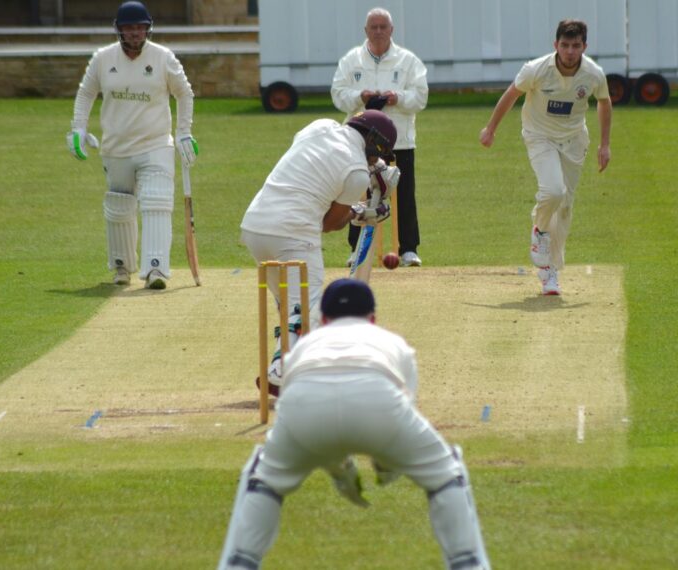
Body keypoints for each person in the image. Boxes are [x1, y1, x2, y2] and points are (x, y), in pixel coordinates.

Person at [217, 279, 491, 570]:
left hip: (304, 407)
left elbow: (298, 407)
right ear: (372, 318)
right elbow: (403, 415)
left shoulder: (303, 347)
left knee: (262, 478)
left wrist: (339, 469)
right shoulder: (393, 343)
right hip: (378, 401)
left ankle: (238, 564)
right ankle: (468, 564)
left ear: (322, 320)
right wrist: (386, 468)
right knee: (447, 472)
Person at [241, 110, 400, 395]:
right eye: (378, 155)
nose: (376, 162)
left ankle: (296, 366)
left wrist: (359, 204)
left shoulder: (319, 126)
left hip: (254, 226)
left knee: (291, 307)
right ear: (374, 143)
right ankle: (279, 372)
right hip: (292, 232)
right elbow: (330, 223)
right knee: (308, 306)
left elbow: (314, 171)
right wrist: (361, 212)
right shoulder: (356, 173)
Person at [67, 0, 198, 290]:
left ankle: (156, 270)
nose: (136, 33)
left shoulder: (163, 57)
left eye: (141, 27)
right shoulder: (103, 58)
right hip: (116, 147)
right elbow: (86, 92)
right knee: (119, 207)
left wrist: (183, 133)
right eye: (130, 28)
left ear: (148, 28)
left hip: (155, 144)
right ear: (119, 30)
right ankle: (122, 267)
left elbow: (184, 94)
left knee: (156, 201)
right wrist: (78, 128)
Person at [479, 19, 612, 295]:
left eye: (576, 46)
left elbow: (604, 101)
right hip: (540, 136)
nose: (570, 52)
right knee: (553, 191)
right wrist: (490, 129)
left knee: (564, 206)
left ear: (584, 47)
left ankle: (549, 271)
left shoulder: (593, 73)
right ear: (556, 45)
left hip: (575, 140)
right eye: (565, 45)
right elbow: (511, 94)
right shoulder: (536, 69)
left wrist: (605, 144)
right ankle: (538, 232)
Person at [332, 7, 429, 267]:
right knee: (358, 193)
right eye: (373, 27)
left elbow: (421, 97)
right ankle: (357, 249)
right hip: (360, 142)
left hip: (400, 140)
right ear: (366, 31)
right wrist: (360, 97)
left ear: (391, 30)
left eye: (382, 27)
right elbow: (338, 94)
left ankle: (408, 249)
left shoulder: (408, 61)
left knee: (403, 194)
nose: (377, 32)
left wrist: (398, 98)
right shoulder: (351, 60)